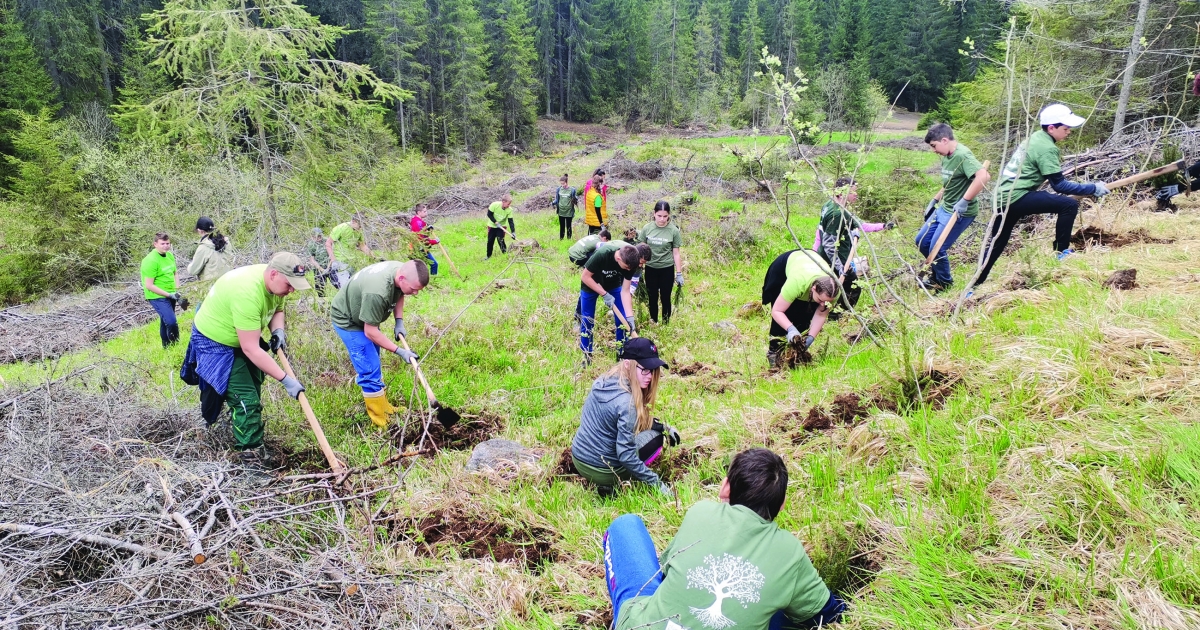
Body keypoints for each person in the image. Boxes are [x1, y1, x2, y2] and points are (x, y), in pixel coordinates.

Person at [603, 448, 847, 630]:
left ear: (725, 488)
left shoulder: (701, 512)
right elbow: (826, 614)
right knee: (776, 610)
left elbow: (665, 572)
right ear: (781, 504)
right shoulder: (790, 552)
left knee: (626, 525)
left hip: (648, 625)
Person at [179, 253, 311, 466]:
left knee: (253, 386)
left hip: (241, 336)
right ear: (274, 274)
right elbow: (251, 349)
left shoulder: (274, 281)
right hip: (216, 343)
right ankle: (250, 458)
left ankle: (251, 437)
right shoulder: (248, 294)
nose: (291, 290)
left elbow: (277, 307)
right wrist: (286, 380)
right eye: (289, 285)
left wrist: (278, 331)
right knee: (246, 399)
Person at [974, 104, 1110, 289]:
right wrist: (1092, 188)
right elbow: (1059, 185)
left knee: (997, 243)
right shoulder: (1046, 147)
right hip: (1016, 196)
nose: (1069, 132)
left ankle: (974, 284)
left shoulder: (1036, 138)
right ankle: (1062, 252)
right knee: (1068, 205)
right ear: (1051, 128)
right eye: (1066, 128)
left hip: (1001, 198)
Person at [570, 337, 678, 497]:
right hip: (604, 471)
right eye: (645, 369)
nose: (650, 376)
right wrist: (657, 483)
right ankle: (610, 485)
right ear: (627, 364)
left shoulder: (603, 381)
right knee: (656, 439)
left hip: (579, 458)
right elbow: (626, 456)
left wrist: (663, 426)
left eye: (653, 369)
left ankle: (604, 483)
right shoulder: (627, 403)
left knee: (649, 431)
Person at [330, 260, 428, 428]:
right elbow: (370, 332)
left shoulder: (400, 272)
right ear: (402, 278)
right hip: (349, 321)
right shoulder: (377, 292)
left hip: (364, 315)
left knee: (373, 360)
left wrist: (399, 321)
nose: (415, 293)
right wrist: (400, 351)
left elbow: (400, 293)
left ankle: (384, 408)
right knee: (369, 368)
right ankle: (380, 421)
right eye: (414, 289)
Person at [915, 123, 990, 292]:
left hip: (960, 212)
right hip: (944, 207)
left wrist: (965, 201)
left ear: (944, 140)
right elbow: (950, 182)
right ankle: (936, 277)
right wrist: (935, 199)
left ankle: (944, 283)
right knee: (922, 241)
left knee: (937, 247)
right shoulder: (947, 156)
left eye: (934, 146)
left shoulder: (963, 155)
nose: (933, 150)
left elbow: (983, 176)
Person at [816, 177, 888, 313]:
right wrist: (841, 268)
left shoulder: (833, 205)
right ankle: (837, 316)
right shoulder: (837, 213)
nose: (856, 194)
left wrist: (883, 226)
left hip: (830, 257)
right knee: (852, 287)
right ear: (842, 192)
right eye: (853, 191)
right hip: (835, 259)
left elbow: (860, 224)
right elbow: (829, 244)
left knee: (833, 287)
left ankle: (830, 313)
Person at [761, 249, 839, 368]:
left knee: (804, 317)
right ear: (813, 288)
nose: (823, 305)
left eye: (827, 302)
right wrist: (790, 328)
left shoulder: (833, 291)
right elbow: (777, 311)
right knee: (786, 315)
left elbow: (821, 314)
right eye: (821, 300)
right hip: (784, 268)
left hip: (810, 265)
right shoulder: (797, 282)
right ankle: (774, 353)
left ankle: (795, 354)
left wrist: (810, 337)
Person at [579, 243, 651, 362]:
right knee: (587, 319)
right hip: (591, 284)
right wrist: (604, 294)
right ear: (618, 258)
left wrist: (630, 317)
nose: (628, 270)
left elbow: (626, 291)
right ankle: (587, 355)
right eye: (626, 267)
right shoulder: (602, 254)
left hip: (613, 284)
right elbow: (585, 277)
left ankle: (621, 353)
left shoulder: (631, 263)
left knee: (622, 319)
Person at [636, 201, 684, 324]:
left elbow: (676, 253)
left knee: (665, 297)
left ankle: (665, 322)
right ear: (654, 214)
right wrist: (638, 268)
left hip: (666, 268)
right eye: (659, 216)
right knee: (652, 296)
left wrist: (679, 273)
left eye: (665, 216)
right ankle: (654, 321)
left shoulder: (673, 231)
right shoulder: (647, 228)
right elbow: (640, 250)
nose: (662, 219)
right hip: (651, 268)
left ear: (669, 215)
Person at [141, 232, 181, 348]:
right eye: (162, 244)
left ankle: (167, 347)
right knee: (171, 322)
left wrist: (177, 289)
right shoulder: (150, 260)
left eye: (167, 243)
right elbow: (149, 285)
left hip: (171, 293)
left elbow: (175, 273)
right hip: (157, 296)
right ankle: (175, 345)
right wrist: (168, 295)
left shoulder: (169, 255)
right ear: (155, 244)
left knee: (165, 321)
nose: (166, 246)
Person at [328, 215, 373, 286]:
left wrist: (373, 256)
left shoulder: (359, 231)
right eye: (360, 225)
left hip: (352, 262)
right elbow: (328, 243)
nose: (361, 228)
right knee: (345, 286)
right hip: (341, 261)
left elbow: (362, 245)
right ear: (354, 221)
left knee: (353, 286)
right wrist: (333, 259)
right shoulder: (341, 228)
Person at [187, 216, 231, 289]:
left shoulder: (204, 247)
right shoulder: (226, 242)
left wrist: (189, 266)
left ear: (199, 231)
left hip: (210, 288)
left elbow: (193, 271)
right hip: (227, 284)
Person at [410, 204, 439, 275]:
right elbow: (422, 239)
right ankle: (432, 279)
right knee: (434, 264)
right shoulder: (417, 222)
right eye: (424, 211)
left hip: (421, 248)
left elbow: (423, 233)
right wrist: (434, 241)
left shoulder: (417, 221)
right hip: (419, 248)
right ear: (419, 212)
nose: (426, 213)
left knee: (423, 267)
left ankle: (428, 280)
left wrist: (428, 229)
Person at [305, 228, 335, 296]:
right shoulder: (311, 245)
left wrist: (328, 267)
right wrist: (321, 269)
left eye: (319, 236)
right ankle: (322, 299)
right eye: (315, 237)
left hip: (330, 265)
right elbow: (312, 259)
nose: (318, 238)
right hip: (318, 268)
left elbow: (332, 254)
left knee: (336, 282)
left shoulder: (327, 241)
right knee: (320, 287)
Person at [486, 194, 515, 258]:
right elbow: (489, 214)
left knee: (500, 240)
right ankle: (488, 256)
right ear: (503, 202)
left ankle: (505, 254)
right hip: (492, 225)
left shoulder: (509, 210)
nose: (509, 206)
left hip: (501, 226)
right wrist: (495, 222)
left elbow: (511, 221)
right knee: (490, 241)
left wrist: (513, 232)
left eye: (510, 204)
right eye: (508, 204)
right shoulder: (494, 205)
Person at [553, 173, 579, 240]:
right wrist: (553, 203)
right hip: (561, 211)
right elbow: (557, 199)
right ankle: (561, 239)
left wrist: (576, 200)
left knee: (568, 226)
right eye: (561, 184)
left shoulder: (572, 190)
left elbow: (574, 198)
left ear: (567, 182)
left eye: (563, 183)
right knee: (562, 226)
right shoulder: (559, 189)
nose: (562, 185)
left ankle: (569, 239)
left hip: (569, 211)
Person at [583, 169, 609, 235]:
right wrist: (602, 224)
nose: (603, 185)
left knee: (590, 236)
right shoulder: (597, 197)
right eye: (602, 183)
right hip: (597, 222)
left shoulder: (589, 192)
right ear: (599, 184)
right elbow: (598, 211)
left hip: (591, 220)